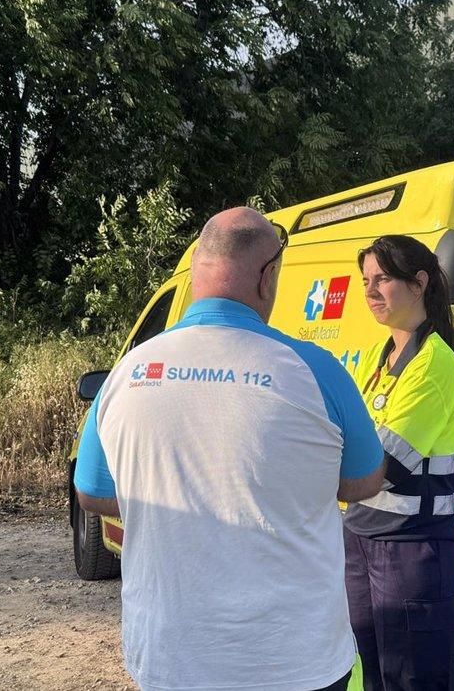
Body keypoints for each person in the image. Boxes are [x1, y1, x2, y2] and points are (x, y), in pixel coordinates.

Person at [74, 207, 385, 691]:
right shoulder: (316, 370)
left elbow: (92, 492)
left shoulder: (129, 371)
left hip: (172, 655)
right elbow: (365, 481)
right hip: (297, 659)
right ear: (267, 279)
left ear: (198, 270)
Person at [345, 235, 454, 691]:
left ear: (418, 284)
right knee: (368, 674)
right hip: (362, 535)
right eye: (365, 281)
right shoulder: (381, 358)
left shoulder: (434, 362)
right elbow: (348, 442)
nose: (371, 291)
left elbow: (383, 467)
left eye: (382, 280)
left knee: (410, 679)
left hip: (410, 548)